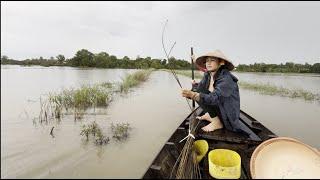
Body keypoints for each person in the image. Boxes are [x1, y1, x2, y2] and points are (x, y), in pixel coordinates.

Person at [181, 50, 244, 134]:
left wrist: (194, 95)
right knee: (198, 90)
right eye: (207, 61)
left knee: (199, 94)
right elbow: (200, 88)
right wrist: (190, 93)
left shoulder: (226, 79)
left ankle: (217, 122)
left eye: (212, 60)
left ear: (221, 62)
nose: (208, 63)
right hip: (218, 106)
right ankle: (211, 115)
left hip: (227, 114)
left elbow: (215, 98)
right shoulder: (208, 74)